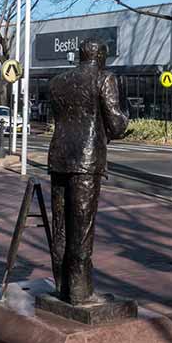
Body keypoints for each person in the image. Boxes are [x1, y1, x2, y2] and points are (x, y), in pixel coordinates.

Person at [46, 39, 130, 305]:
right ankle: (80, 292)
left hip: (59, 156)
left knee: (60, 226)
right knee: (81, 226)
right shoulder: (104, 78)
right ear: (101, 56)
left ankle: (63, 286)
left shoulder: (58, 81)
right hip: (86, 159)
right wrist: (125, 120)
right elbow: (115, 123)